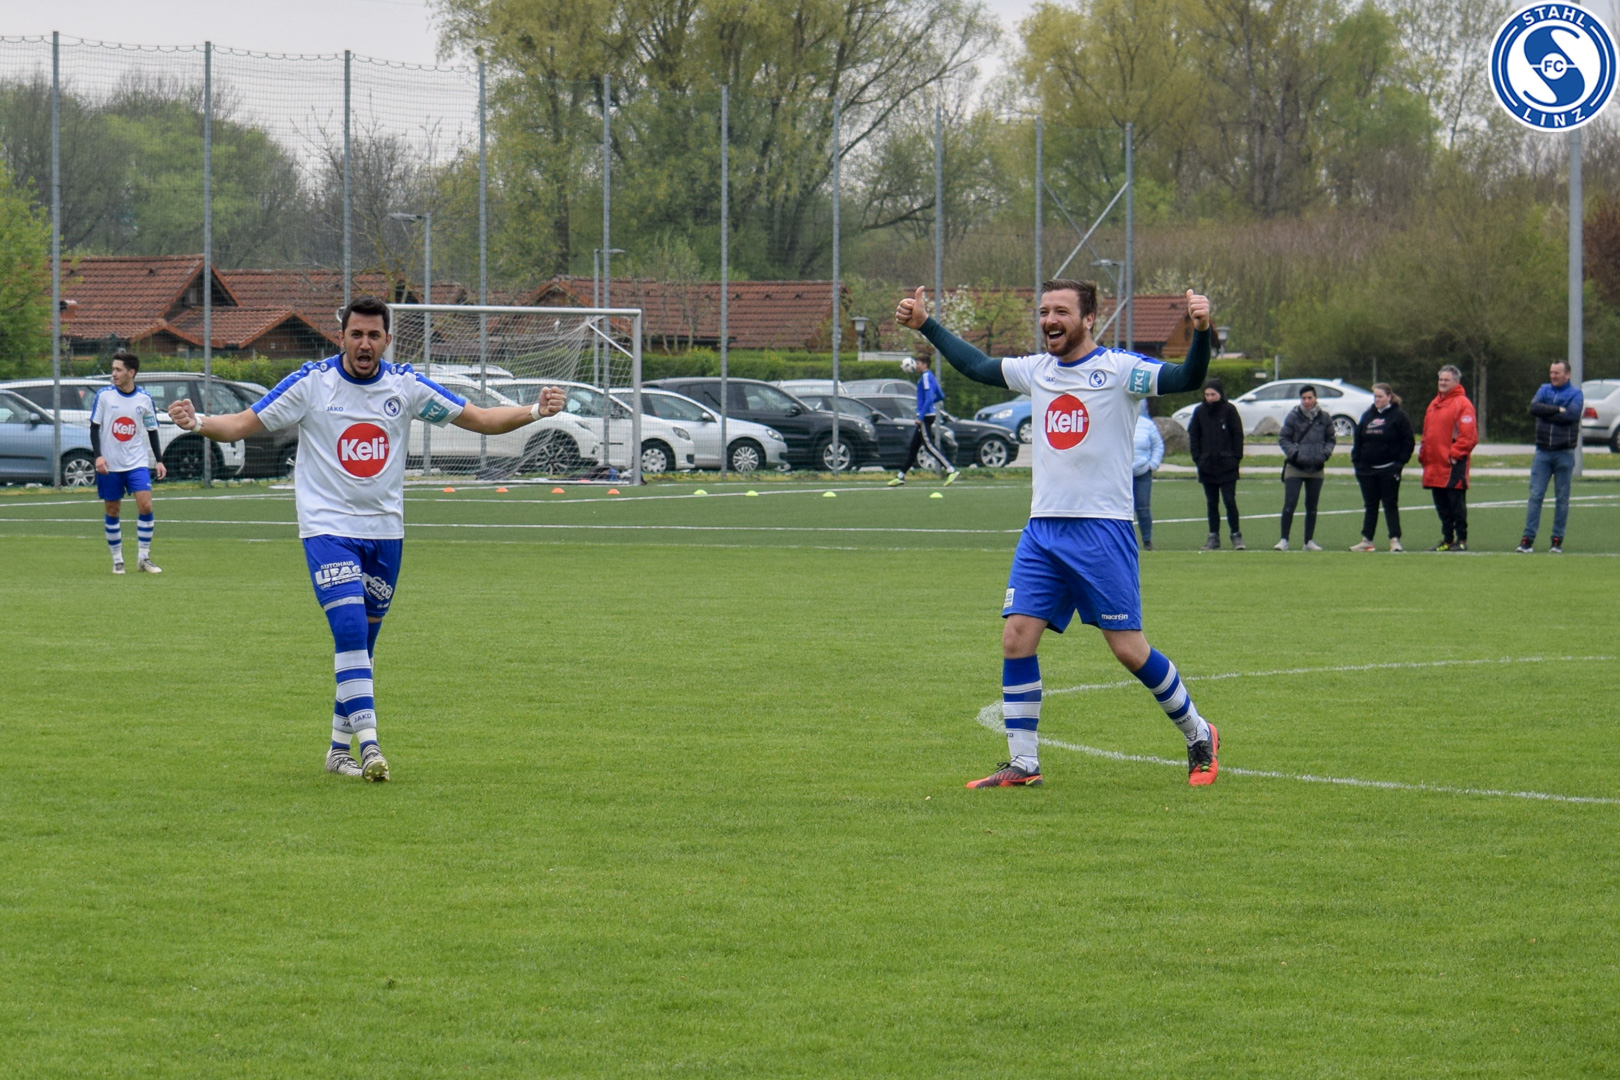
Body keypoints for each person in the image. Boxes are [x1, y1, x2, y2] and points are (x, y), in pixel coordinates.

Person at [165, 296, 566, 781]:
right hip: (327, 529)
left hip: (385, 533)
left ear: (387, 341)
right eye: (356, 334)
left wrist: (535, 410)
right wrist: (198, 423)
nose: (364, 343)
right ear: (341, 337)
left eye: (374, 335)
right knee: (351, 631)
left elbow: (480, 419)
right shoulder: (313, 383)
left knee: (362, 647)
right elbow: (241, 424)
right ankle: (371, 747)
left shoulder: (405, 386)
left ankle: (338, 751)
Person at [895, 280, 1220, 788]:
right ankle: (1024, 763)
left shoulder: (1121, 370)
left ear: (1089, 319)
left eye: (1062, 311)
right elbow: (979, 366)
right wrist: (926, 325)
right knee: (1016, 639)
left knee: (1129, 650)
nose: (1050, 319)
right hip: (1043, 531)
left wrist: (1200, 331)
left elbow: (1187, 377)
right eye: (1045, 311)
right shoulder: (1038, 370)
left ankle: (1199, 732)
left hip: (1102, 531)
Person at [90, 350, 167, 574]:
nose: (113, 374)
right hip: (110, 464)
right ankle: (117, 560)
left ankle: (144, 557)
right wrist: (98, 456)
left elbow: (152, 430)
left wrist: (159, 460)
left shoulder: (144, 398)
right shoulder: (104, 396)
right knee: (113, 510)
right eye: (113, 369)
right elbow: (94, 428)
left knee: (146, 505)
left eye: (118, 370)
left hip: (137, 462)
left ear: (131, 373)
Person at [1518, 360, 1583, 554]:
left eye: (1557, 373)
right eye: (1552, 372)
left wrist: (1546, 412)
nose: (1553, 376)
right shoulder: (1544, 389)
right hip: (1543, 451)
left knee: (1562, 498)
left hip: (1564, 452)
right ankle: (1527, 539)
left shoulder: (1575, 394)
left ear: (1567, 375)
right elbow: (1534, 408)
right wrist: (1556, 409)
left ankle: (1556, 540)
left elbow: (1571, 416)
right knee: (1535, 495)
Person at [1349, 383, 1414, 552]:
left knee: (1390, 504)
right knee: (1370, 505)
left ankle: (1394, 540)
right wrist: (1357, 462)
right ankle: (1367, 540)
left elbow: (1408, 441)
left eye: (1380, 396)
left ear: (1389, 397)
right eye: (1375, 396)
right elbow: (1358, 439)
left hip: (1389, 469)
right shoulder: (1368, 415)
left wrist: (1399, 463)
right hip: (1367, 469)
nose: (1377, 400)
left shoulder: (1399, 416)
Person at [1419, 365, 1478, 551]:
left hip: (1452, 465)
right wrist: (1424, 454)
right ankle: (1447, 540)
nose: (1442, 383)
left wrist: (1455, 455)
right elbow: (1427, 433)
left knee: (1456, 504)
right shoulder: (1434, 404)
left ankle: (1461, 540)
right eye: (1440, 379)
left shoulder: (1462, 404)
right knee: (1442, 506)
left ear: (1456, 382)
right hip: (1434, 465)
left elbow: (1469, 435)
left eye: (1446, 380)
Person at [1274, 385, 1335, 551]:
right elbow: (1283, 438)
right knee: (1290, 504)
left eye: (1310, 398)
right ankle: (1284, 540)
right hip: (1295, 466)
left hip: (1316, 467)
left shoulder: (1324, 417)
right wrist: (1294, 454)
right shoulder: (1293, 416)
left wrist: (1324, 454)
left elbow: (1330, 438)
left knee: (1312, 506)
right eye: (1304, 398)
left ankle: (1308, 541)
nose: (1307, 401)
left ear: (1315, 398)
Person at [1187, 377, 1244, 550]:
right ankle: (1213, 536)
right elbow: (1194, 435)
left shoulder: (1230, 410)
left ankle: (1236, 535)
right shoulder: (1199, 411)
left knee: (1229, 501)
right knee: (1212, 503)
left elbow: (1238, 435)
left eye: (1213, 394)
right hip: (1207, 466)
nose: (1210, 398)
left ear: (1220, 393)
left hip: (1227, 466)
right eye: (1207, 395)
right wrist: (1198, 458)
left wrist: (1235, 458)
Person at [887, 354, 960, 486]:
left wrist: (921, 416)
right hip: (928, 414)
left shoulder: (926, 377)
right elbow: (941, 395)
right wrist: (929, 405)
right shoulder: (930, 376)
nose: (916, 365)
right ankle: (901, 476)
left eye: (918, 363)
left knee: (929, 445)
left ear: (925, 364)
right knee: (913, 447)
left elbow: (929, 398)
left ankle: (951, 470)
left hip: (925, 417)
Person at [1132, 403, 1164, 550]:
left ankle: (1147, 541)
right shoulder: (1117, 421)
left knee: (1143, 507)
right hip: (1121, 474)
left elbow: (1158, 445)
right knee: (1121, 509)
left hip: (1142, 472)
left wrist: (1152, 464)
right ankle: (1124, 540)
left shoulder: (1147, 425)